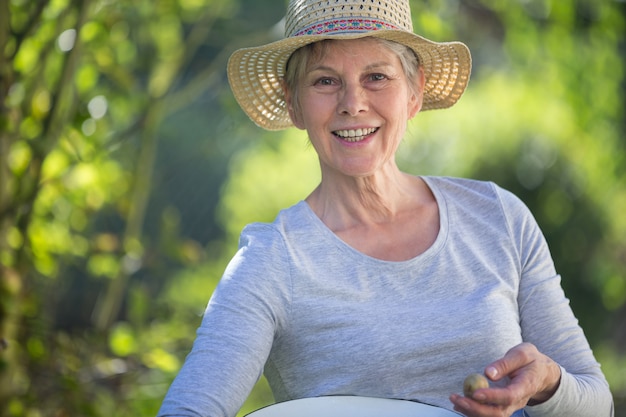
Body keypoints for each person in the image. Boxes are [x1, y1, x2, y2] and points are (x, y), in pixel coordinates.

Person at [157, 1, 614, 416]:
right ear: (294, 106)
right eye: (324, 81)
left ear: (413, 94)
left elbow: (597, 402)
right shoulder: (271, 262)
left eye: (377, 76)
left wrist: (549, 384)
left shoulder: (497, 217)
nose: (352, 104)